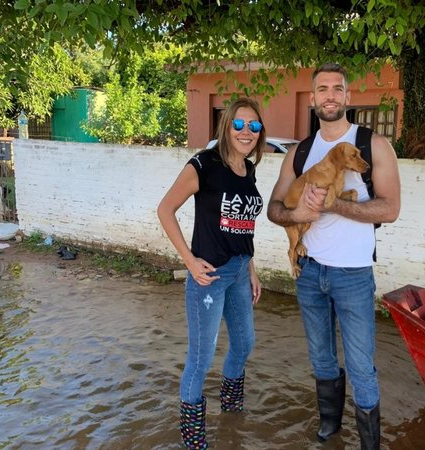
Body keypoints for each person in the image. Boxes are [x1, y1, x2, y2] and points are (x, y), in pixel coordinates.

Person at [267, 63, 401, 449]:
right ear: (312, 99)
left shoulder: (374, 145)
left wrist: (333, 206)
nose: (329, 95)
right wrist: (298, 215)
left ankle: (369, 444)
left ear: (348, 97)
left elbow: (390, 209)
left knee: (362, 367)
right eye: (322, 89)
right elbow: (275, 209)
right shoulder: (299, 152)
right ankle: (330, 428)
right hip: (309, 271)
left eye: (337, 88)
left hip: (354, 274)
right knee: (322, 359)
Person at [157, 97, 266, 449]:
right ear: (226, 126)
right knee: (201, 359)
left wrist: (251, 268)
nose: (246, 132)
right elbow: (165, 209)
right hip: (209, 276)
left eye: (253, 126)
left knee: (245, 342)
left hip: (238, 272)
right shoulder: (204, 164)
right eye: (238, 124)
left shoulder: (247, 170)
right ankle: (194, 441)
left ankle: (232, 411)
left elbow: (243, 227)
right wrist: (189, 260)